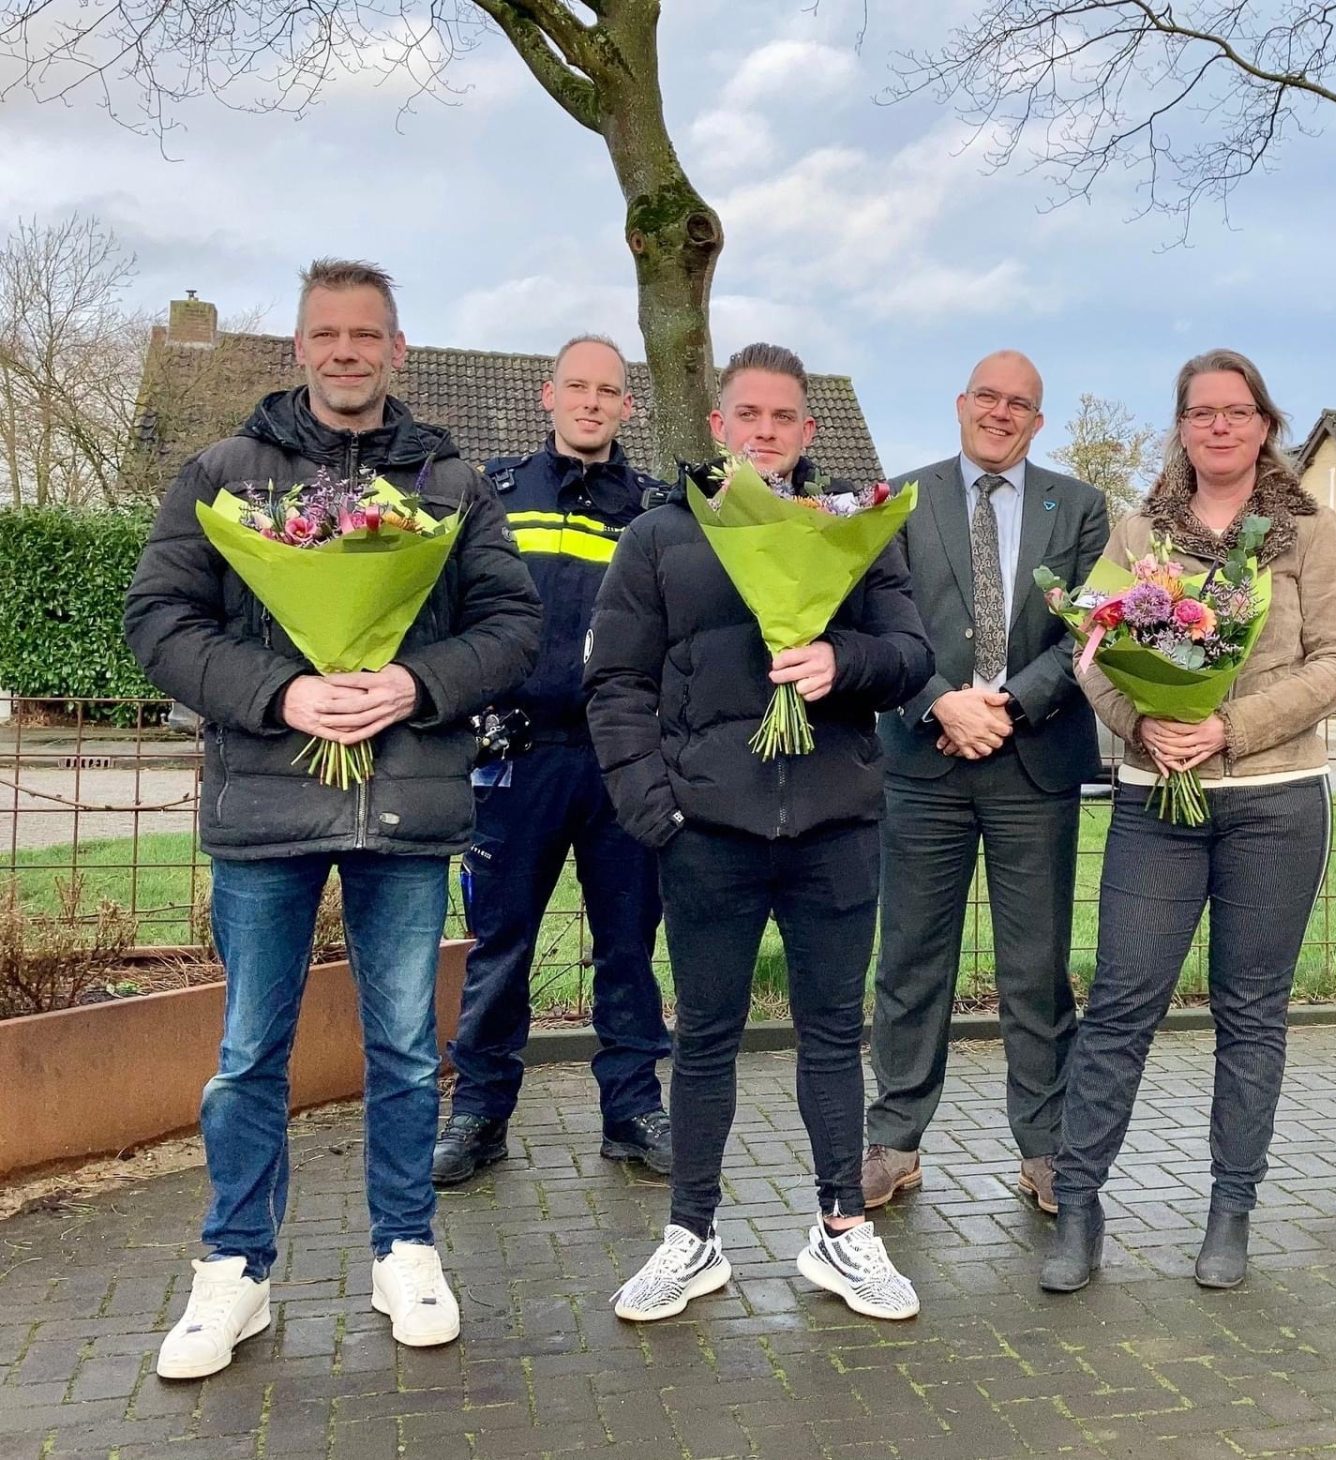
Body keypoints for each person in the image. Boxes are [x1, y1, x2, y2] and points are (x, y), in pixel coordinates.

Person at [124, 259, 542, 1378]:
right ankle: (236, 1269)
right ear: (298, 346)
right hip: (267, 801)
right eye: (328, 333)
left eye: (369, 334)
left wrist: (414, 683)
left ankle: (404, 1246)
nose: (348, 350)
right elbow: (157, 617)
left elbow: (513, 625)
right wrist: (280, 692)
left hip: (404, 805)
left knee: (407, 1047)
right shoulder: (219, 474)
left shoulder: (451, 483)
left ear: (397, 349)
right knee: (249, 1046)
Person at [586, 342, 935, 1323]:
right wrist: (658, 807)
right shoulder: (660, 535)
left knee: (834, 1035)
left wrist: (842, 659)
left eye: (785, 418)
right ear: (720, 424)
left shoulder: (857, 531)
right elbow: (614, 683)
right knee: (702, 1040)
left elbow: (912, 653)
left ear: (806, 430)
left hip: (835, 828)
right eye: (751, 415)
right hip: (709, 834)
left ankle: (840, 1228)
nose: (767, 432)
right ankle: (690, 1235)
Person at [1039, 349, 1336, 1294]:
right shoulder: (1139, 533)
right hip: (1155, 803)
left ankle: (1231, 1210)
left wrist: (1229, 726)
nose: (1219, 426)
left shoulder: (1313, 533)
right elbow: (1093, 647)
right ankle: (1081, 1204)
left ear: (1265, 423)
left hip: (1273, 803)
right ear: (1180, 426)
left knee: (1251, 1014)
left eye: (1237, 411)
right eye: (1201, 412)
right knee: (1121, 1005)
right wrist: (1143, 721)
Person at [863, 351, 1109, 1216]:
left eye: (1021, 405)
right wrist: (941, 704)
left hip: (1032, 758)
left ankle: (1045, 1150)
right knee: (909, 958)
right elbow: (879, 622)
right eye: (989, 398)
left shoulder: (1078, 507)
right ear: (961, 404)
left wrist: (1006, 702)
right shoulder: (898, 498)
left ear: (1038, 422)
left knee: (1036, 966)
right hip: (922, 762)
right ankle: (893, 1139)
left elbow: (1091, 629)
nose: (1002, 413)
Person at [432, 336, 674, 1187]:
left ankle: (634, 1110)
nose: (592, 403)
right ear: (548, 395)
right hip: (515, 758)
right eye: (578, 387)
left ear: (626, 406)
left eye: (608, 391)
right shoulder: (493, 494)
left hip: (619, 760)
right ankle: (479, 1114)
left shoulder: (654, 507)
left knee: (627, 947)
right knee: (499, 946)